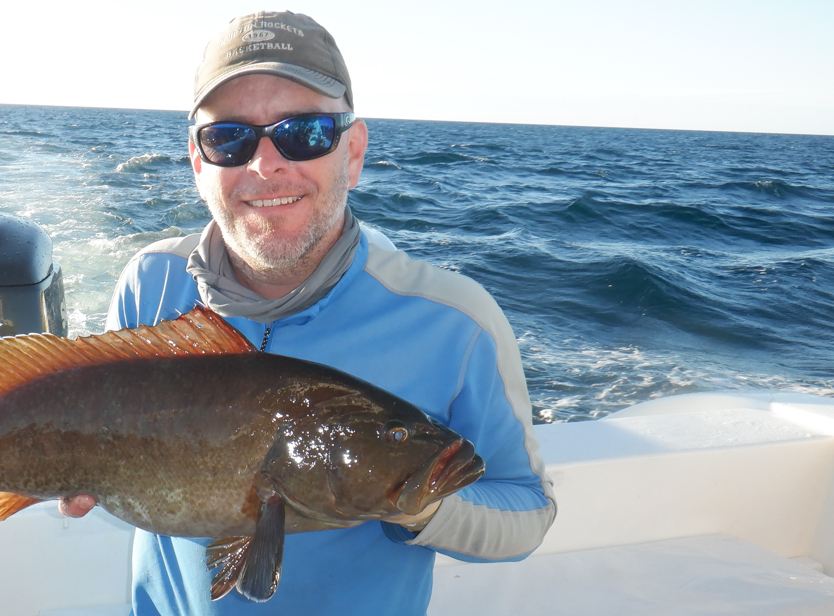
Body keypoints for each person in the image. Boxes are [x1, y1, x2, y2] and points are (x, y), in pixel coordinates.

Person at [61, 10, 556, 615]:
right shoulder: (150, 281)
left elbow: (528, 510)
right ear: (197, 163)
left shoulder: (456, 323)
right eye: (230, 139)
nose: (266, 165)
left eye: (305, 133)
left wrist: (413, 499)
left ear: (353, 151)